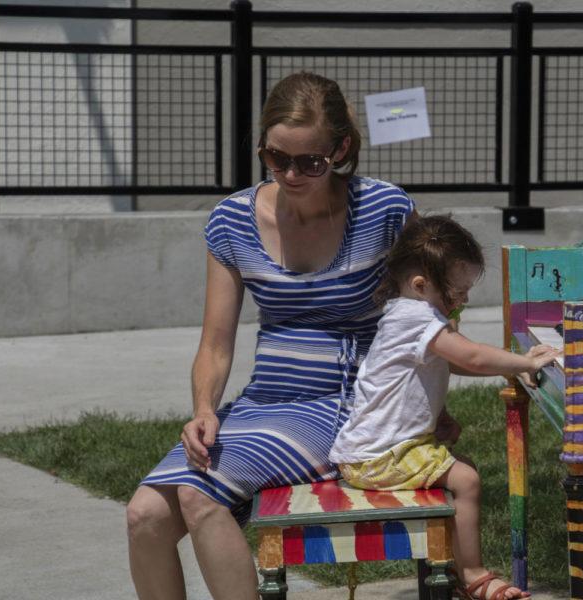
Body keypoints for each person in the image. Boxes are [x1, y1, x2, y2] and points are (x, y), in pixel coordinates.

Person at [125, 71, 418, 600]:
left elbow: (431, 316)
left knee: (200, 497)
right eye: (277, 158)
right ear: (262, 147)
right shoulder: (232, 220)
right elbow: (215, 344)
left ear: (342, 148)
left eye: (311, 160)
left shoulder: (385, 210)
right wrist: (205, 409)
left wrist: (430, 404)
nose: (292, 172)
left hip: (352, 401)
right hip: (266, 400)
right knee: (144, 514)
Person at [329, 215, 560, 600]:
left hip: (373, 450)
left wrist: (511, 367)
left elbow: (455, 360)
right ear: (422, 286)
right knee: (466, 478)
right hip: (378, 457)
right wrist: (525, 362)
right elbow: (470, 355)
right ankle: (472, 575)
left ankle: (453, 563)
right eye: (458, 291)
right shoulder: (417, 317)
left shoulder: (408, 312)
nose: (464, 300)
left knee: (460, 465)